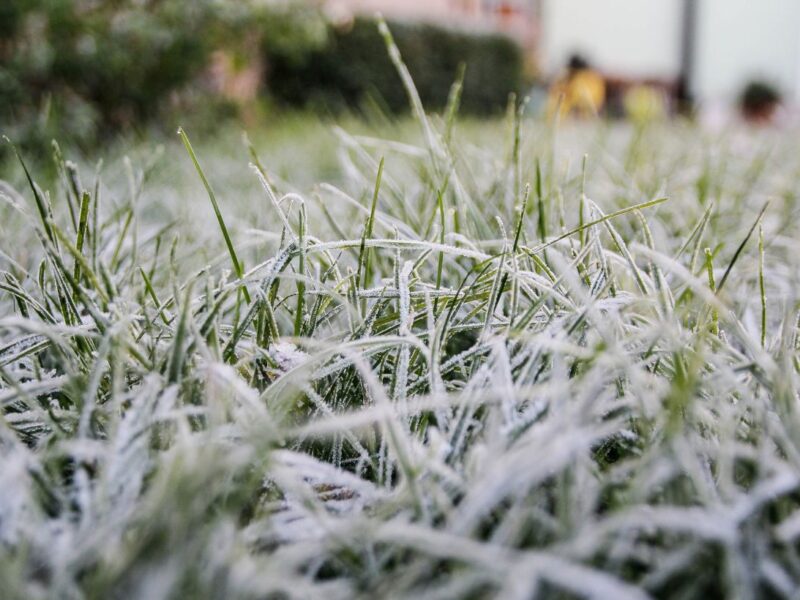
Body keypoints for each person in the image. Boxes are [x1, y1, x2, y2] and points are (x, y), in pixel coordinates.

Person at [547, 54, 606, 119]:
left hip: (582, 114)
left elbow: (580, 97)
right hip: (570, 113)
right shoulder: (592, 78)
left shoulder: (585, 79)